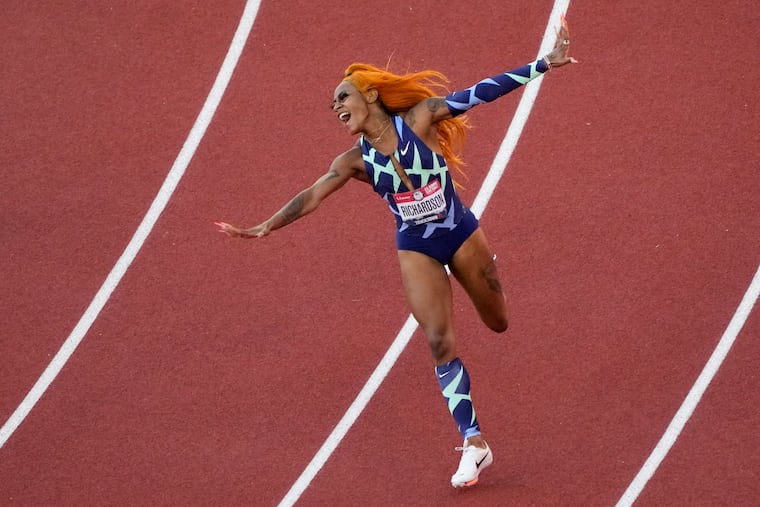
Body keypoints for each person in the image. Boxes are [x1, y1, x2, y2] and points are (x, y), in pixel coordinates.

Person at [216, 16, 576, 488]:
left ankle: (483, 273)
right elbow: (311, 196)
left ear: (369, 95)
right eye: (331, 104)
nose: (335, 106)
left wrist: (544, 64)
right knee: (438, 341)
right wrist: (265, 226)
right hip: (416, 246)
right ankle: (474, 442)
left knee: (498, 321)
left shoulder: (422, 117)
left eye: (342, 96)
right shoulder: (351, 163)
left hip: (461, 232)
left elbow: (481, 93)